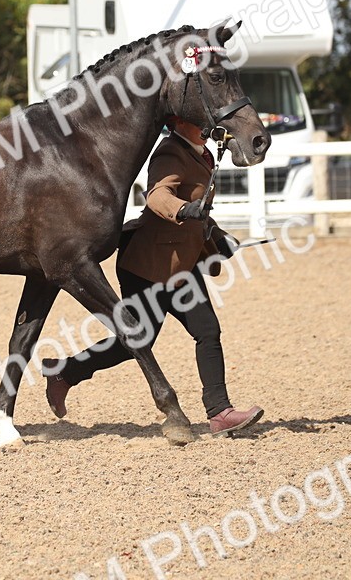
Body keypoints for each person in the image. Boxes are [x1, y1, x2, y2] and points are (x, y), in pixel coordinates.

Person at [43, 115, 264, 437]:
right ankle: (65, 371)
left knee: (207, 331)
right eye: (196, 121)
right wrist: (184, 209)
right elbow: (158, 196)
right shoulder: (170, 152)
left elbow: (199, 209)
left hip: (182, 264)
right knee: (136, 341)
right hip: (147, 265)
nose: (205, 125)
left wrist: (217, 235)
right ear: (178, 125)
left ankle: (220, 412)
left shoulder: (202, 153)